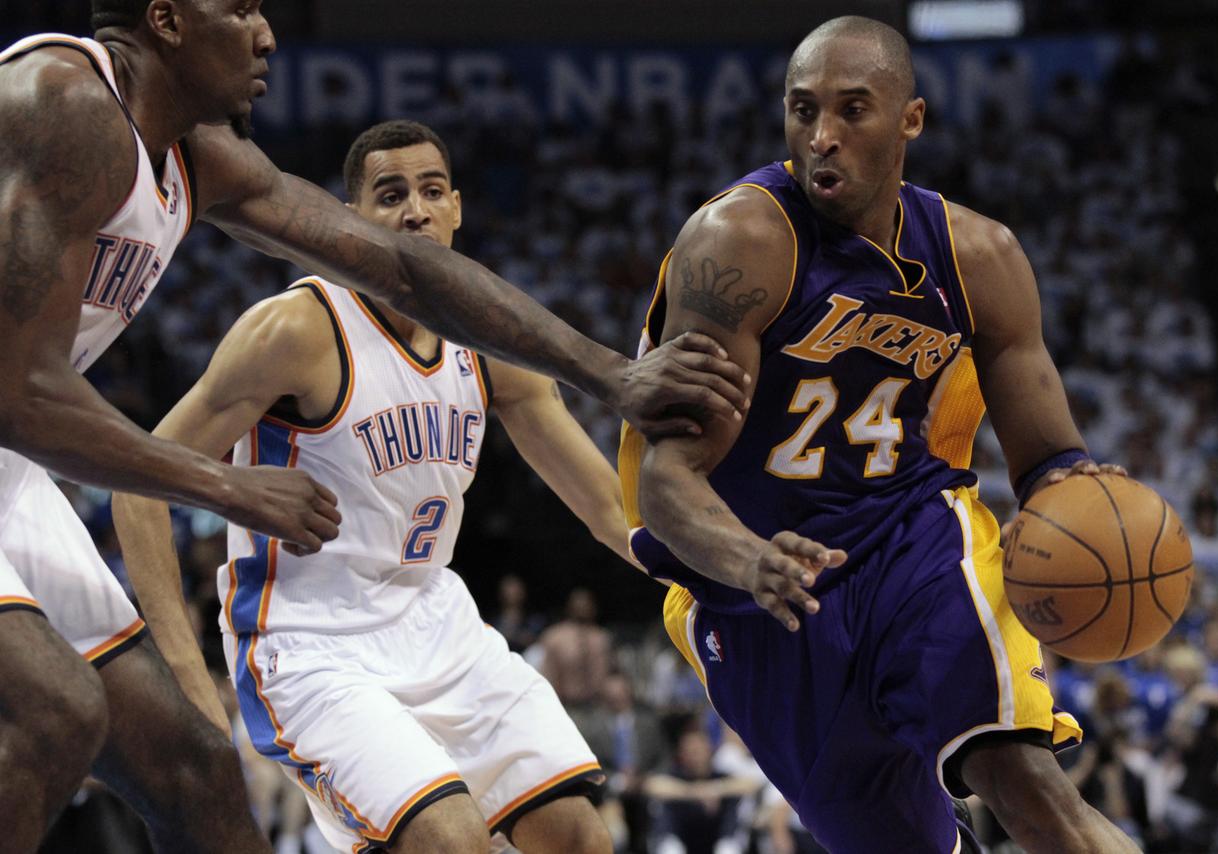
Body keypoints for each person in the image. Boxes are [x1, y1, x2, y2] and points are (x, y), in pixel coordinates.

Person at [0, 2, 746, 848]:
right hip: (312, 637)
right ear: (166, 20)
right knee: (56, 711)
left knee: (196, 769)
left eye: (434, 192)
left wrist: (613, 377)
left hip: (420, 619)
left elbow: (404, 273)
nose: (267, 32)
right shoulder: (63, 103)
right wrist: (227, 490)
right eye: (240, 6)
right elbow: (18, 389)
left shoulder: (198, 161)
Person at [618, 16, 1142, 853]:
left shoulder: (981, 258)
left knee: (1030, 785)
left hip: (912, 539)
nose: (822, 137)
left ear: (911, 119)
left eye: (853, 109)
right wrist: (749, 558)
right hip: (762, 595)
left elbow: (1049, 455)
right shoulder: (742, 241)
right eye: (803, 110)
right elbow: (668, 480)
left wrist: (1075, 499)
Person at [111, 119, 650, 853]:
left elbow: (610, 511)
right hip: (308, 643)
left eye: (432, 192)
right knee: (450, 841)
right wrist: (184, 669)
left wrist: (723, 582)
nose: (415, 211)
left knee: (582, 838)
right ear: (350, 218)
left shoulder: (493, 336)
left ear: (457, 208)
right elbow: (136, 483)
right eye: (390, 194)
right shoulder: (297, 330)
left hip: (436, 625)